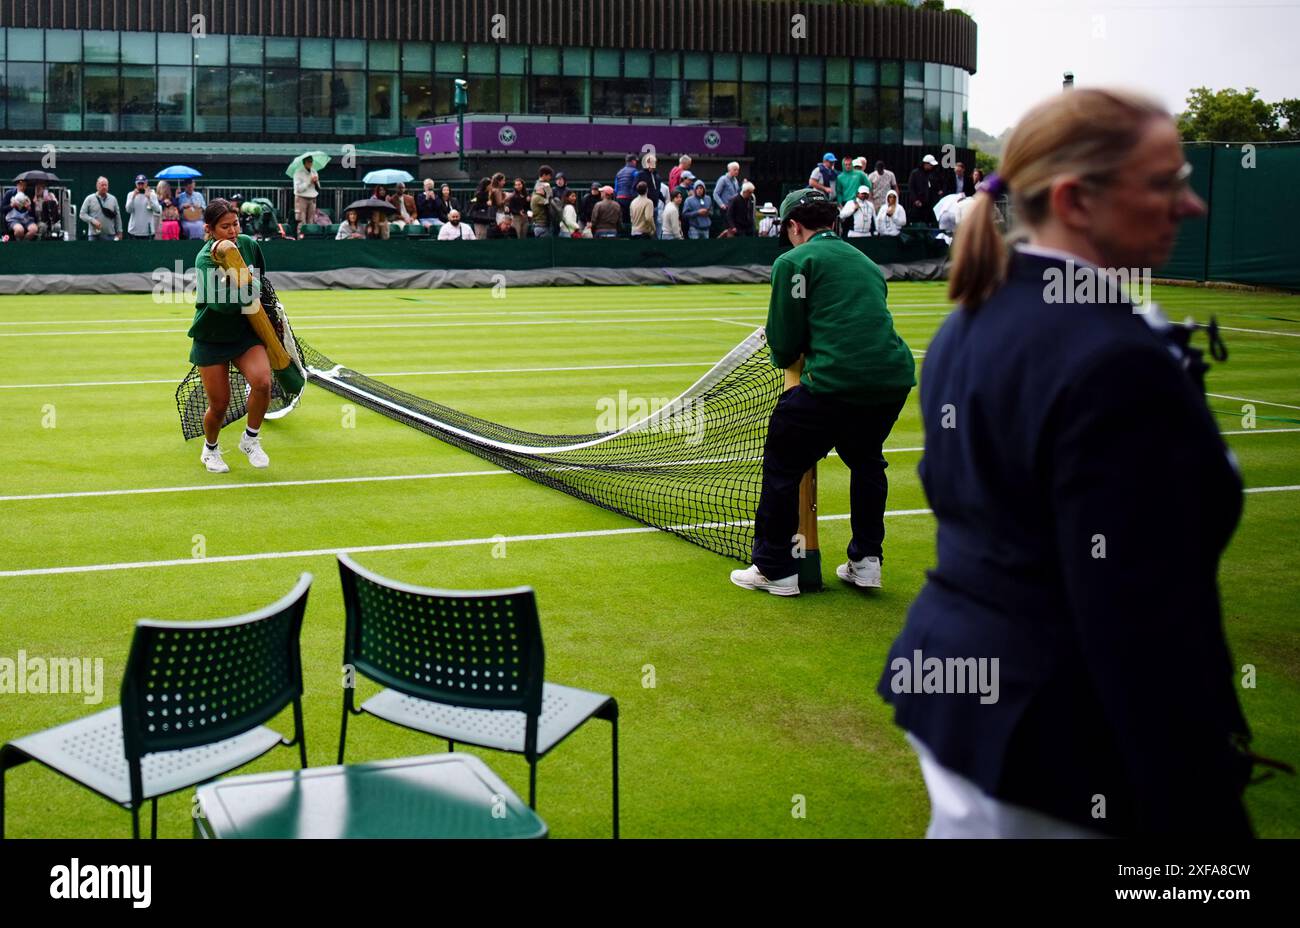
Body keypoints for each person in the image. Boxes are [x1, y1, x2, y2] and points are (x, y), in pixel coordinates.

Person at [879, 87, 1263, 839]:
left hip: (963, 704)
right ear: (1074, 201)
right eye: (1163, 183)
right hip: (1059, 739)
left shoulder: (973, 316)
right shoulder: (1112, 359)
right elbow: (1135, 617)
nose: (1190, 206)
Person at [730, 188, 915, 596]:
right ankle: (866, 562)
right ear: (833, 222)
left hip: (833, 382)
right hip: (892, 379)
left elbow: (783, 343)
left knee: (782, 461)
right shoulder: (866, 261)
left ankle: (775, 569)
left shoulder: (793, 261)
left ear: (794, 226)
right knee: (867, 460)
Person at [187, 198, 274, 473]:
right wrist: (250, 285)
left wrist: (251, 283)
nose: (233, 231)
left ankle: (250, 439)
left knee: (262, 382)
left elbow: (260, 279)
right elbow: (220, 303)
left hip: (244, 333)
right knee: (220, 404)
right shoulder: (204, 259)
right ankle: (210, 450)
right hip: (211, 336)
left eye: (235, 224)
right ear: (210, 229)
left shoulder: (248, 244)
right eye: (225, 227)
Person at [79, 176, 122, 241]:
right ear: (97, 186)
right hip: (94, 236)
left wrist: (119, 232)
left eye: (106, 185)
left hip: (110, 235)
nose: (104, 187)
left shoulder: (113, 199)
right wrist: (92, 220)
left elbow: (117, 217)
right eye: (102, 185)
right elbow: (82, 214)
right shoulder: (89, 199)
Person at [907, 154, 942, 225]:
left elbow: (936, 185)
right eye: (930, 165)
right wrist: (915, 200)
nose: (932, 166)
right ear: (925, 164)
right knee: (917, 221)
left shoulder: (933, 173)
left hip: (929, 204)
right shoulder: (915, 173)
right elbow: (911, 188)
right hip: (918, 203)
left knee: (928, 222)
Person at [124, 174, 161, 240]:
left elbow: (157, 210)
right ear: (136, 184)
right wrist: (133, 197)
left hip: (148, 232)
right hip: (134, 231)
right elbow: (128, 210)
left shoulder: (152, 194)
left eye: (142, 183)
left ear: (146, 183)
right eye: (139, 183)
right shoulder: (130, 194)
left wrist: (149, 198)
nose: (141, 185)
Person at [292, 155, 320, 238]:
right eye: (308, 161)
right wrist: (309, 181)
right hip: (301, 198)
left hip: (312, 198)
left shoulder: (314, 171)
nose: (310, 163)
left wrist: (316, 182)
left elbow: (318, 187)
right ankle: (300, 240)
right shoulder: (298, 172)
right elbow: (298, 189)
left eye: (311, 161)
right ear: (304, 163)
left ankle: (309, 239)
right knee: (301, 221)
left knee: (311, 221)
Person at [613, 154, 639, 222]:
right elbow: (637, 185)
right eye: (636, 161)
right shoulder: (635, 172)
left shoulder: (619, 173)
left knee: (622, 218)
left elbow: (616, 188)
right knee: (632, 219)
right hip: (630, 198)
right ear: (633, 161)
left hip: (619, 198)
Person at [530, 168, 553, 237]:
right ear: (544, 175)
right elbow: (549, 200)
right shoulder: (543, 185)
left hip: (543, 222)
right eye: (549, 175)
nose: (550, 177)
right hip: (542, 223)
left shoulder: (540, 184)